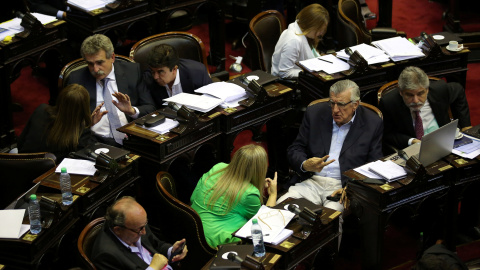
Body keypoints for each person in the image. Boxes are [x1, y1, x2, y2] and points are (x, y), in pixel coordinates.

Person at [277, 80, 383, 244]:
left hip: (341, 187)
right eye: (332, 103)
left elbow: (373, 165)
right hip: (310, 181)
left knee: (328, 224)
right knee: (279, 210)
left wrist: (352, 189)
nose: (335, 110)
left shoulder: (372, 122)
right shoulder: (315, 113)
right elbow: (294, 149)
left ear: (355, 104)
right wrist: (305, 164)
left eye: (341, 105)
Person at [66, 34, 156, 146]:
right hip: (94, 142)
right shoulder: (77, 79)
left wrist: (131, 111)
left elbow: (150, 108)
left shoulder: (132, 72)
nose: (95, 69)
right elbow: (67, 122)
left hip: (132, 138)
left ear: (112, 57)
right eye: (90, 63)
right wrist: (88, 123)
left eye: (99, 62)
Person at [190, 144, 278, 248]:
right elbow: (265, 223)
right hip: (218, 243)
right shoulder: (249, 193)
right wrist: (273, 194)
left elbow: (192, 198)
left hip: (193, 229)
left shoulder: (218, 167)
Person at [378, 66, 471, 150]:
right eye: (409, 95)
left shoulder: (439, 90)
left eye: (420, 93)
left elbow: (458, 90)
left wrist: (465, 125)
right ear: (401, 92)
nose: (415, 100)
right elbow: (387, 134)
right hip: (413, 150)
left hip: (444, 143)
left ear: (427, 90)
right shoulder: (389, 102)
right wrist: (411, 141)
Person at [91, 196, 188, 270]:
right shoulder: (106, 255)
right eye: (140, 229)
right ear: (118, 230)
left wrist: (172, 251)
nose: (144, 232)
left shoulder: (136, 225)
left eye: (145, 225)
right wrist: (153, 268)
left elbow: (157, 244)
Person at [18, 84, 96, 161]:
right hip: (48, 172)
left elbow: (20, 143)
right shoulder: (81, 134)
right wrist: (89, 125)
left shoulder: (41, 110)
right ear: (84, 108)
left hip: (20, 163)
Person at [143, 44, 212, 108]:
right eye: (153, 71)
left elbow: (211, 100)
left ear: (174, 69)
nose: (155, 77)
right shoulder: (148, 78)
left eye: (160, 72)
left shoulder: (197, 73)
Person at [271, 3, 329, 79]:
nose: (321, 33)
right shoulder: (293, 41)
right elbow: (284, 73)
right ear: (310, 25)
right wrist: (310, 72)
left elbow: (312, 52)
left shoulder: (303, 31)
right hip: (285, 83)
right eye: (319, 29)